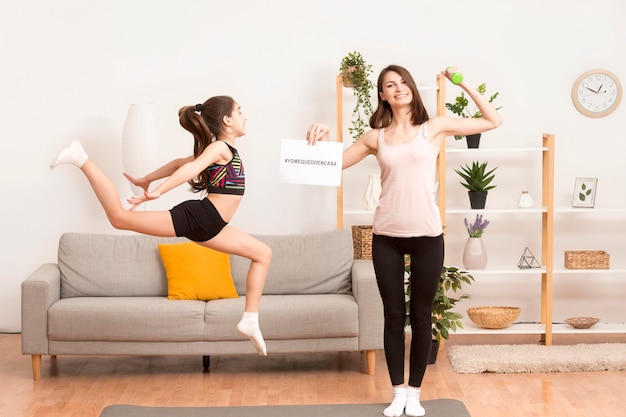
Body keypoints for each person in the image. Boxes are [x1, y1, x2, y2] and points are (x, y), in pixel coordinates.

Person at [306, 66, 502, 417]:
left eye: (402, 82)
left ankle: (415, 393)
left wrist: (463, 83)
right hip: (387, 237)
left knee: (423, 315)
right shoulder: (374, 137)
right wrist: (321, 136)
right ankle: (398, 392)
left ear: (412, 88)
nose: (398, 89)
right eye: (389, 85)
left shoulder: (435, 127)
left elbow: (492, 121)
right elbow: (329, 164)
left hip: (428, 235)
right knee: (394, 316)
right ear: (382, 95)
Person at [50, 95, 271, 356]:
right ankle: (81, 158)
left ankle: (250, 320)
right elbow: (191, 169)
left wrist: (147, 178)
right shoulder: (220, 148)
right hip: (201, 217)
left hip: (213, 225)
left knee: (263, 254)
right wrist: (159, 191)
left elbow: (181, 163)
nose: (245, 116)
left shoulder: (225, 151)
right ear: (227, 120)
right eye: (240, 111)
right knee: (119, 218)